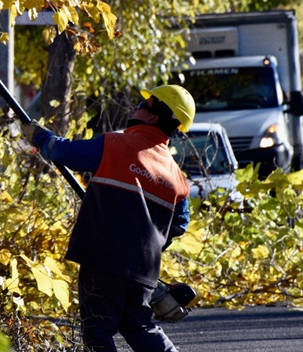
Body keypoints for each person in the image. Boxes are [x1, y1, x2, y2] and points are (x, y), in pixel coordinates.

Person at [23, 85, 195, 352]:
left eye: (143, 104)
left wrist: (39, 136)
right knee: (140, 328)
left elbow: (61, 152)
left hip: (103, 259)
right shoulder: (177, 177)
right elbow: (179, 224)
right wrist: (147, 244)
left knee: (98, 332)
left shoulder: (115, 145)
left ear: (152, 117)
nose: (136, 106)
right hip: (144, 269)